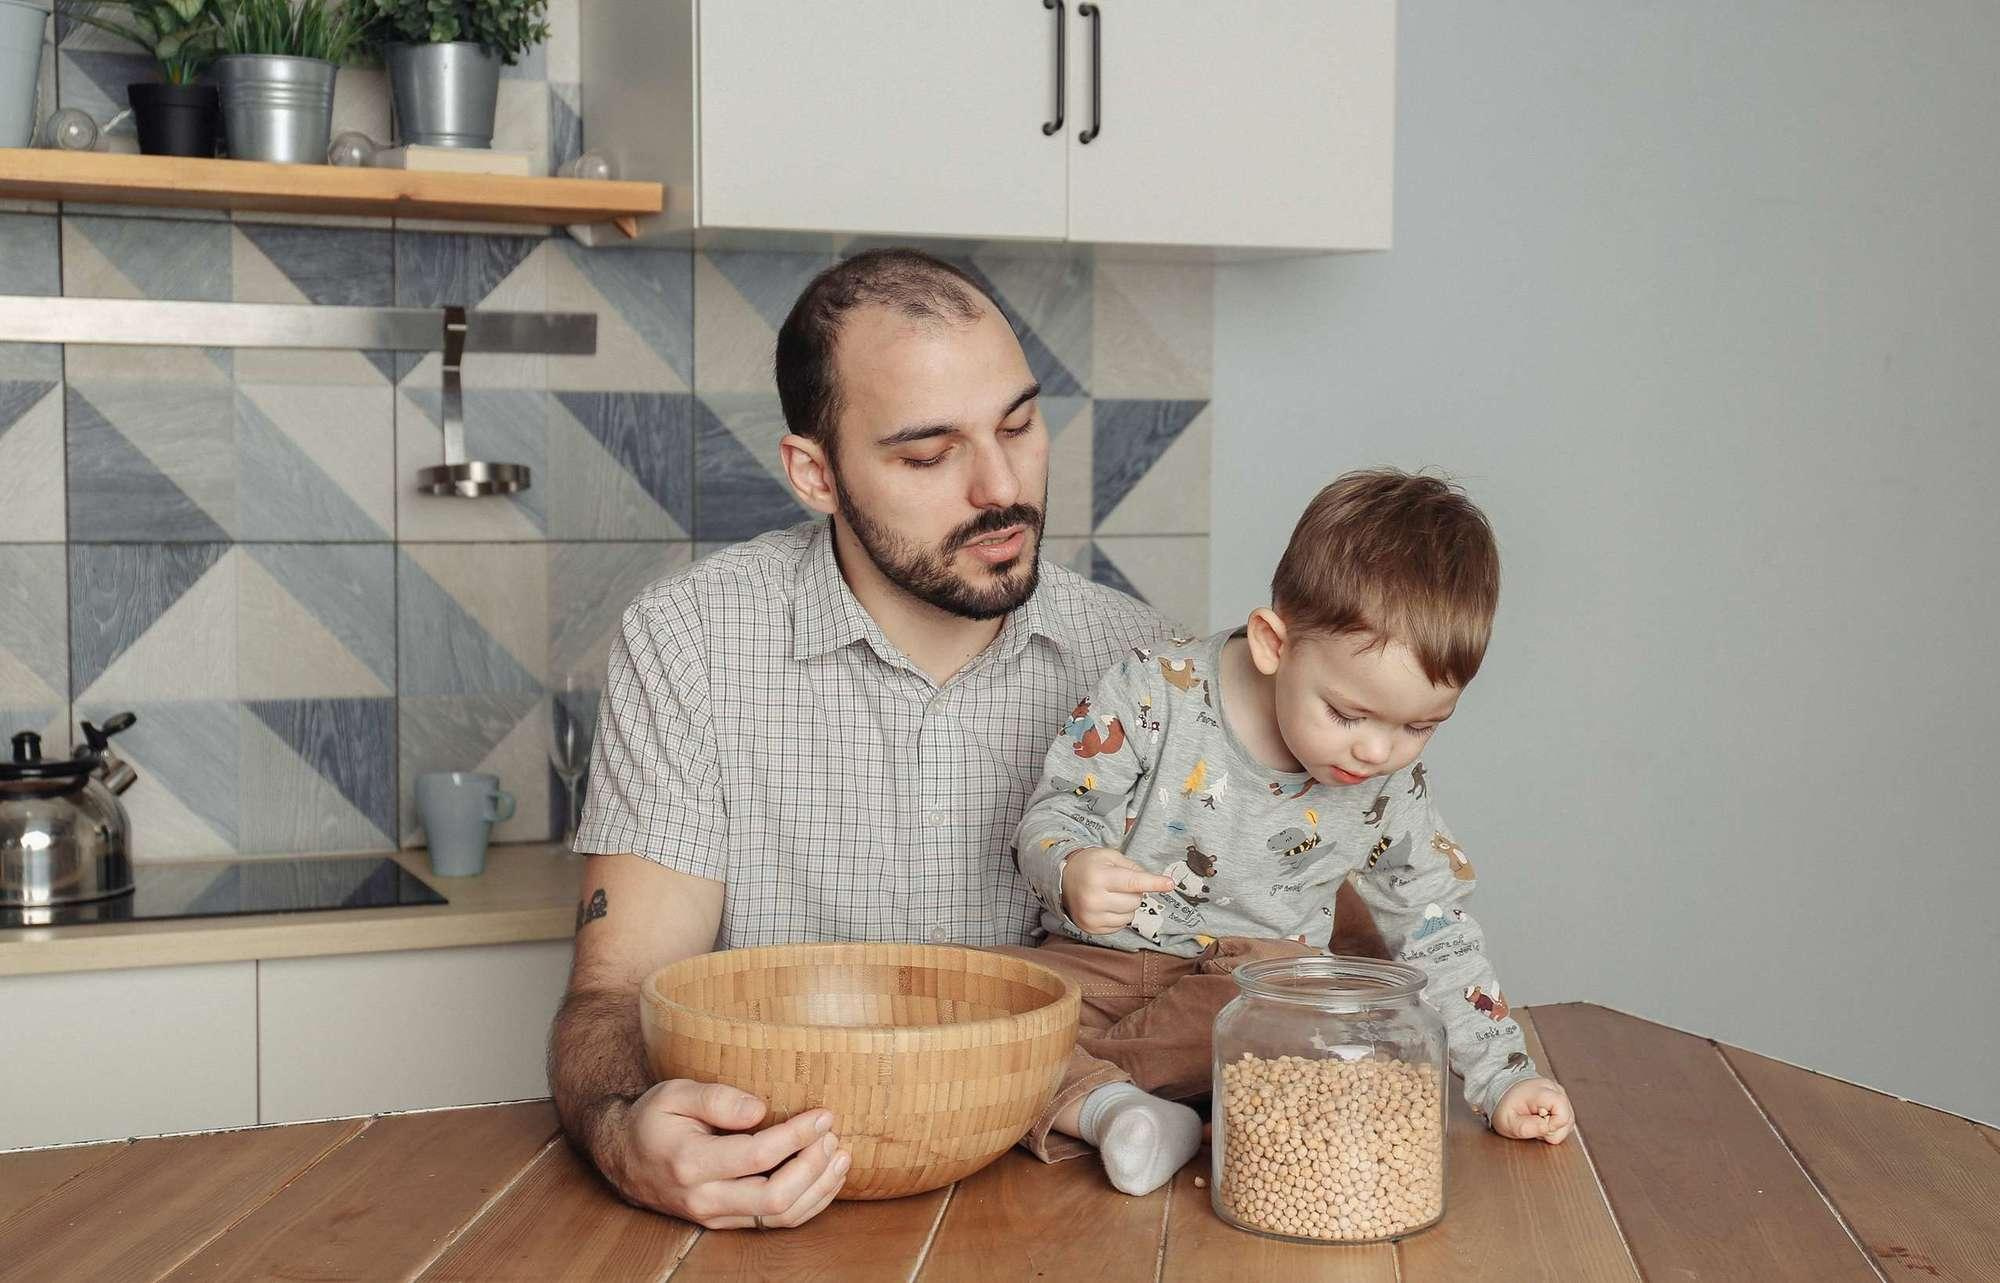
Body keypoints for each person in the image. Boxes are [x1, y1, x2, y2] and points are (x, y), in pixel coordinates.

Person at [547, 248, 1175, 1229]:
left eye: (1017, 422)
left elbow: (1290, 935)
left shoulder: (1144, 664)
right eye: (927, 455)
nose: (1000, 486)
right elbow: (615, 992)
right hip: (787, 1199)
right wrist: (627, 1134)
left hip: (1074, 1197)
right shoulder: (691, 641)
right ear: (815, 472)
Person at [1000, 469, 1576, 1196]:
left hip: (1253, 990)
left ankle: (1091, 1090)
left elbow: (1436, 927)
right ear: (1275, 642)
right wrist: (1073, 866)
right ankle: (1128, 1112)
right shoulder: (1153, 690)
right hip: (1102, 962)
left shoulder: (1386, 787)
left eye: (1420, 727)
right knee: (981, 1015)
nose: (1377, 752)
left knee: (1296, 1016)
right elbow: (1055, 811)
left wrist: (1504, 1078)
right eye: (1347, 713)